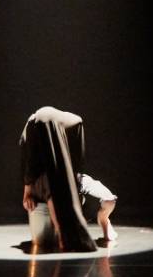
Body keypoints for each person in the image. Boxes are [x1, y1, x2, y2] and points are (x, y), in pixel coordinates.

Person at [20, 107, 117, 252]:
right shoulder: (34, 124)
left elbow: (77, 159)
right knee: (54, 192)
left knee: (109, 199)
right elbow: (29, 161)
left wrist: (75, 185)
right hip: (44, 180)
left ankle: (104, 220)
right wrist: (27, 192)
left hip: (71, 176)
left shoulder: (75, 122)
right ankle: (62, 235)